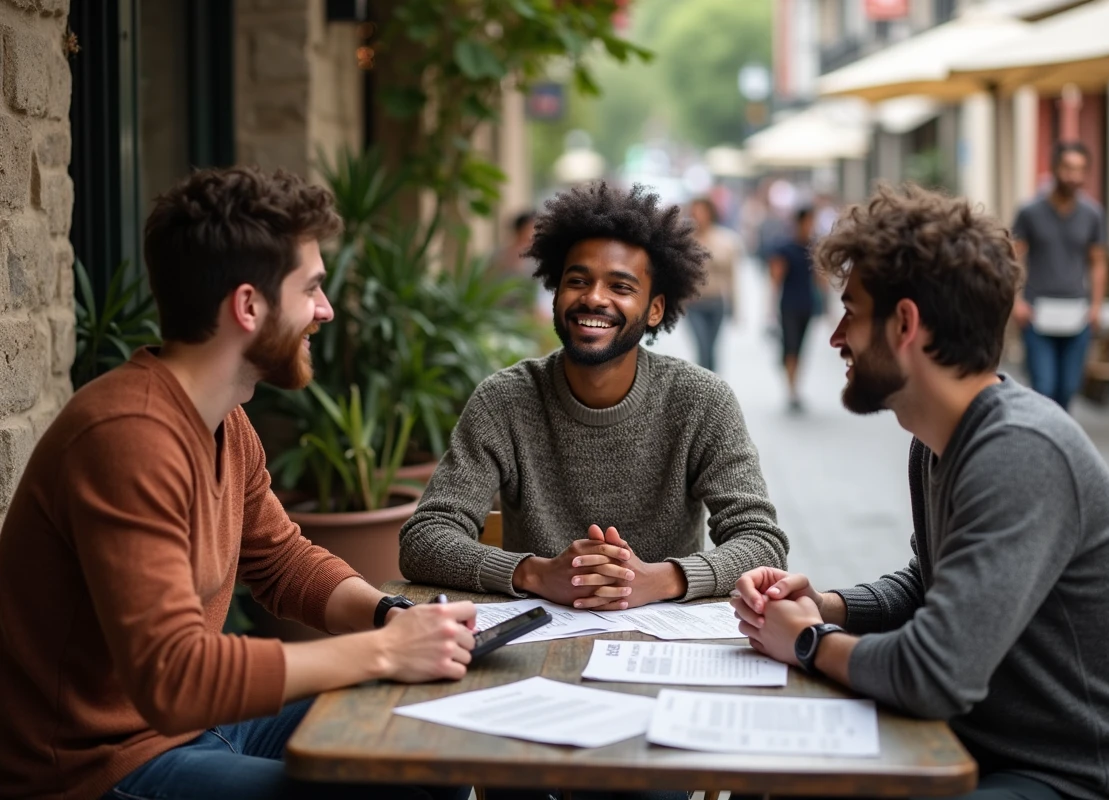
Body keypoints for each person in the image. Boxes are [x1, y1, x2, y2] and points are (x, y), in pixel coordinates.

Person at [0, 167, 477, 800]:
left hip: (199, 728)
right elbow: (173, 677)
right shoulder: (127, 436)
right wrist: (387, 653)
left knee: (432, 744)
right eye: (311, 288)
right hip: (98, 768)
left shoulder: (225, 417)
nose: (325, 311)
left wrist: (393, 617)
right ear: (248, 306)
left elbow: (282, 561)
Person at [731, 185, 1109, 800]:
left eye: (852, 312)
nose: (836, 337)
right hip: (980, 751)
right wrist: (828, 606)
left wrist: (808, 642)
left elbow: (933, 673)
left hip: (1077, 782)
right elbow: (927, 582)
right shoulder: (938, 438)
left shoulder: (1021, 451)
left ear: (906, 324)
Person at [399, 182, 788, 612]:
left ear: (655, 309)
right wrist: (535, 573)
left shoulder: (701, 401)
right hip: (534, 644)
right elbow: (424, 538)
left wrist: (657, 580)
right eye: (577, 281)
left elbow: (762, 542)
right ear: (555, 291)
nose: (594, 298)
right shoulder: (504, 400)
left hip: (668, 647)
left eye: (620, 287)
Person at [1011, 141, 1108, 411]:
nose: (1074, 176)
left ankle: (1057, 446)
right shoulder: (1030, 211)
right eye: (1068, 168)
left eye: (1080, 170)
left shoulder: (1092, 214)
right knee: (1044, 386)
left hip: (1077, 311)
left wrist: (1096, 306)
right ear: (1054, 168)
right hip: (1037, 311)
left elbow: (1097, 263)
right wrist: (1017, 301)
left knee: (1067, 388)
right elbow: (1016, 257)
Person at [768, 207, 827, 411]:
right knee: (792, 346)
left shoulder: (814, 248)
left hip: (807, 305)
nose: (811, 226)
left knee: (800, 349)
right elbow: (775, 280)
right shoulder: (784, 248)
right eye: (809, 221)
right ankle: (791, 389)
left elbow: (821, 279)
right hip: (789, 305)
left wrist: (829, 306)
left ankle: (794, 383)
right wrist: (769, 309)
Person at [685, 196, 742, 372]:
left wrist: (736, 306)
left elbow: (732, 276)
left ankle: (713, 386)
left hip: (716, 301)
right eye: (695, 212)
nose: (698, 216)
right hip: (693, 303)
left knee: (712, 348)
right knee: (702, 346)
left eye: (702, 211)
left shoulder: (726, 240)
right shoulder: (685, 240)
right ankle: (704, 385)